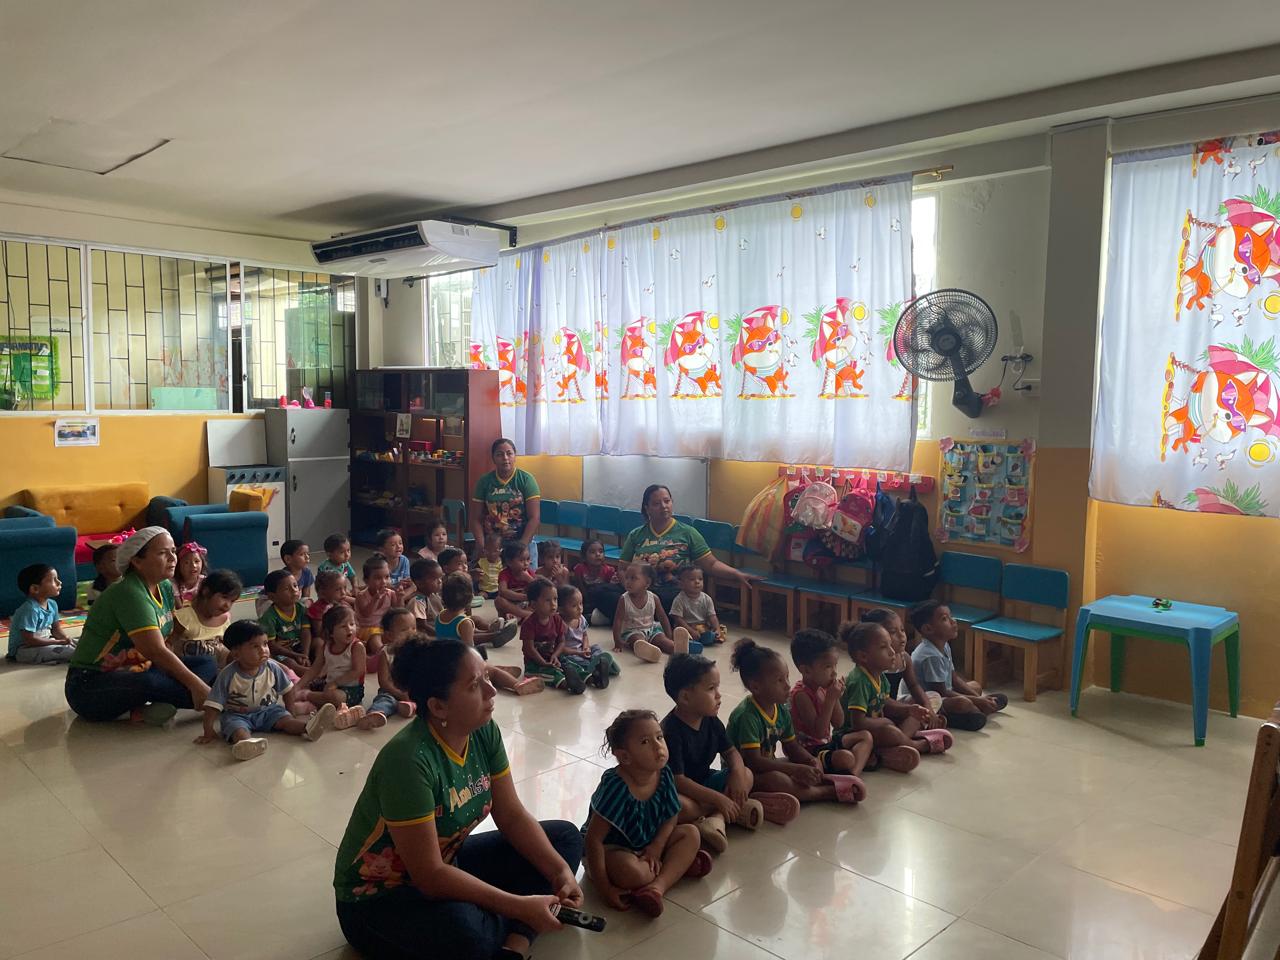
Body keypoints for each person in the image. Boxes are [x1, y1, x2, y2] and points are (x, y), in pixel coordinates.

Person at [333, 641, 584, 960]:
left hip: (448, 859)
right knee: (467, 934)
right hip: (379, 898)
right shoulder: (408, 761)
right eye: (475, 685)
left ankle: (514, 943)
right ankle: (520, 919)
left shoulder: (483, 730)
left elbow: (511, 816)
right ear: (438, 707)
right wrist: (518, 905)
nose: (492, 691)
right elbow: (429, 876)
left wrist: (559, 872)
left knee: (564, 839)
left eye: (488, 677)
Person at [65, 527, 218, 724]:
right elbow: (155, 650)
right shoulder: (129, 592)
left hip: (138, 668)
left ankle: (144, 707)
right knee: (151, 682)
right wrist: (195, 684)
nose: (173, 558)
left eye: (173, 551)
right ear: (137, 561)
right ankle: (220, 700)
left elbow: (166, 643)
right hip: (89, 685)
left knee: (206, 662)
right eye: (162, 553)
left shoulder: (164, 586)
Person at [582, 709, 711, 918]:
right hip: (613, 849)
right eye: (645, 742)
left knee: (691, 834)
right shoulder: (616, 786)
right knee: (632, 873)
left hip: (648, 841)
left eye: (659, 737)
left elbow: (671, 816)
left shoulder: (664, 773)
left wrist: (657, 846)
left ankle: (657, 887)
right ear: (624, 756)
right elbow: (593, 840)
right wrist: (604, 889)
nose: (658, 746)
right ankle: (675, 868)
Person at [661, 654, 783, 856]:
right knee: (679, 807)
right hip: (680, 791)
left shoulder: (711, 720)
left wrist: (736, 772)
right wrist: (718, 799)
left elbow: (731, 752)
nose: (719, 695)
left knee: (746, 774)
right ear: (685, 697)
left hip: (705, 782)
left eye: (717, 687)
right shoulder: (671, 732)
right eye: (711, 689)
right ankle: (730, 810)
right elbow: (678, 781)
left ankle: (717, 818)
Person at [726, 638, 863, 804]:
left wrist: (810, 761)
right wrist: (795, 769)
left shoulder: (781, 709)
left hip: (766, 766)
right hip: (742, 776)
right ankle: (827, 792)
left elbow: (791, 746)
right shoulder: (748, 716)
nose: (787, 685)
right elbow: (753, 761)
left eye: (787, 678)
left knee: (796, 772)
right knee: (778, 779)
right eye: (779, 680)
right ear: (756, 686)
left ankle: (779, 797)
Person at [194, 619, 336, 761]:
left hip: (269, 710)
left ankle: (309, 728)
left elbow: (288, 691)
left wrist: (291, 712)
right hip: (237, 715)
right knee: (237, 729)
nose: (263, 650)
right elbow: (213, 704)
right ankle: (248, 744)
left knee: (286, 720)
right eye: (255, 646)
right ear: (236, 653)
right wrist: (208, 730)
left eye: (265, 644)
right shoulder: (227, 675)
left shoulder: (272, 668)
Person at [837, 621, 954, 770]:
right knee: (890, 731)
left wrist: (909, 710)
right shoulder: (859, 681)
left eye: (890, 645)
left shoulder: (879, 675)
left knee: (914, 716)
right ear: (863, 656)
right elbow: (858, 724)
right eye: (883, 647)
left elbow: (885, 701)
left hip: (876, 726)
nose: (892, 652)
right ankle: (918, 745)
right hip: (855, 736)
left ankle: (888, 751)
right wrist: (885, 722)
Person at [619, 484, 755, 611]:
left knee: (672, 601)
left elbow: (711, 564)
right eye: (656, 503)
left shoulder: (688, 533)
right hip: (641, 591)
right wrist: (630, 590)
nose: (664, 506)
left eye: (667, 501)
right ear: (647, 508)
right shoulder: (636, 534)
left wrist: (736, 573)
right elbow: (623, 568)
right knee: (609, 594)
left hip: (673, 592)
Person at [788, 628, 875, 786]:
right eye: (828, 667)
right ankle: (848, 777)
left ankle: (851, 776)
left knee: (865, 736)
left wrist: (834, 699)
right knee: (846, 758)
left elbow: (838, 722)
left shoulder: (823, 688)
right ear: (806, 670)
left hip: (827, 743)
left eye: (835, 665)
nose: (834, 673)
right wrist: (830, 700)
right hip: (810, 751)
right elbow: (818, 732)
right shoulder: (801, 695)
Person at [908, 600, 1008, 730]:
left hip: (944, 693)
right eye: (945, 619)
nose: (953, 621)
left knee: (976, 686)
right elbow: (941, 692)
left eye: (951, 616)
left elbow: (954, 679)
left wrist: (979, 698)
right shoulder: (930, 656)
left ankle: (979, 709)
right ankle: (951, 719)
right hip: (929, 700)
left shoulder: (944, 645)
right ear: (928, 629)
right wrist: (977, 701)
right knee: (963, 703)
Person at [438, 572, 541, 696]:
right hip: (460, 667)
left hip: (445, 662)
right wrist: (481, 665)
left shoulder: (441, 616)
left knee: (488, 667)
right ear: (470, 597)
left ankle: (497, 670)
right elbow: (470, 652)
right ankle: (517, 685)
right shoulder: (464, 623)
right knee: (492, 671)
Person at [861, 608, 946, 728]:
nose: (901, 636)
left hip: (896, 704)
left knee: (932, 697)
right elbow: (881, 700)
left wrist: (927, 708)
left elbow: (914, 686)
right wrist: (909, 709)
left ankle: (921, 725)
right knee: (913, 715)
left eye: (902, 629)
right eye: (893, 632)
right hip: (877, 709)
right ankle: (906, 735)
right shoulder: (875, 662)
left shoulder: (904, 658)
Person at [471, 437, 542, 568]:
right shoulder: (484, 481)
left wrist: (522, 547)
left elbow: (535, 518)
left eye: (509, 453)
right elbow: (476, 519)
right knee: (488, 578)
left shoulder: (526, 480)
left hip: (522, 541)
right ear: (493, 458)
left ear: (515, 456)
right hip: (492, 546)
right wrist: (482, 546)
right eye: (499, 454)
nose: (505, 458)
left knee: (525, 579)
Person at [296, 604, 368, 728]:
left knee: (333, 697)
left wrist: (335, 683)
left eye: (352, 624)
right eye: (343, 626)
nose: (349, 629)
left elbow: (358, 671)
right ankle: (313, 704)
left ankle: (307, 696)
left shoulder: (357, 647)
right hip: (328, 684)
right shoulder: (326, 646)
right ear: (331, 633)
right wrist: (298, 686)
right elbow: (315, 668)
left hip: (351, 689)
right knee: (311, 685)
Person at [613, 562, 692, 663]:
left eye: (633, 578)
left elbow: (662, 617)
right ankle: (649, 652)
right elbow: (618, 621)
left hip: (651, 629)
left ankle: (678, 649)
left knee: (662, 640)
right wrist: (617, 641)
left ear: (647, 583)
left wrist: (669, 635)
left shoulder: (654, 598)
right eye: (627, 578)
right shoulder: (624, 599)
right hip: (632, 631)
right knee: (637, 640)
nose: (628, 582)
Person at [519, 578, 586, 695]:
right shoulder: (528, 624)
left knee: (572, 665)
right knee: (553, 674)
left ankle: (591, 678)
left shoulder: (557, 619)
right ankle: (568, 684)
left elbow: (561, 642)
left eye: (555, 599)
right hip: (534, 663)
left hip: (553, 657)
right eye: (547, 600)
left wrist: (555, 655)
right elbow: (529, 648)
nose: (553, 604)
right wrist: (542, 662)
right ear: (534, 604)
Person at [357, 609, 419, 730]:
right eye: (405, 630)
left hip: (412, 690)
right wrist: (399, 693)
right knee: (385, 699)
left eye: (414, 628)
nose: (411, 633)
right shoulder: (386, 653)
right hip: (391, 690)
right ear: (390, 635)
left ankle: (408, 707)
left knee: (427, 697)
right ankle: (375, 714)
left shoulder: (418, 649)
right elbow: (384, 681)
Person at [169, 568, 241, 669]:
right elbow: (168, 645)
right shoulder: (185, 617)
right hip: (188, 670)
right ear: (206, 592)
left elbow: (227, 648)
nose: (227, 605)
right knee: (208, 663)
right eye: (224, 597)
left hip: (216, 670)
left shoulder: (224, 620)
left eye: (232, 601)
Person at [8, 563, 76, 664]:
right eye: (53, 580)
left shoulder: (52, 604)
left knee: (79, 643)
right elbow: (30, 640)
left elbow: (56, 630)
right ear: (35, 589)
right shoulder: (30, 609)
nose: (59, 582)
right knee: (68, 651)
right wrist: (58, 642)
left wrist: (66, 639)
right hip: (24, 650)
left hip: (45, 642)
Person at [557, 584, 618, 689]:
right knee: (572, 661)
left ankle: (599, 664)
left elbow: (584, 635)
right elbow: (561, 648)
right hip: (570, 653)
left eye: (581, 603)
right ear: (561, 609)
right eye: (574, 606)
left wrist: (586, 647)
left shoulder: (581, 619)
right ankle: (597, 669)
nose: (580, 608)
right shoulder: (560, 624)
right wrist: (578, 653)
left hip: (581, 649)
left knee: (596, 647)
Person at [259, 570, 313, 672]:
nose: (294, 590)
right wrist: (294, 655)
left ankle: (316, 665)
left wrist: (305, 654)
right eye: (287, 589)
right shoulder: (269, 617)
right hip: (284, 651)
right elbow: (272, 645)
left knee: (319, 643)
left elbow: (306, 632)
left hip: (300, 646)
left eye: (295, 586)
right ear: (273, 597)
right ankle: (310, 673)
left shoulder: (301, 608)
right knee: (288, 663)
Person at [669, 564, 725, 645]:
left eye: (700, 579)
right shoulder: (679, 599)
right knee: (681, 634)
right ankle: (692, 643)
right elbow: (678, 619)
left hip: (702, 626)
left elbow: (712, 616)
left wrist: (717, 629)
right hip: (686, 626)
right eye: (692, 579)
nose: (697, 582)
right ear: (681, 584)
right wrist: (691, 631)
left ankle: (709, 637)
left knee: (721, 629)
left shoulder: (707, 598)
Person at [573, 538, 622, 624]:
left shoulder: (609, 570)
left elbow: (608, 591)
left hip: (600, 601)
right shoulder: (579, 569)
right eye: (592, 552)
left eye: (601, 551)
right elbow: (580, 589)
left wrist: (612, 583)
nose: (598, 554)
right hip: (586, 601)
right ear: (584, 556)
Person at [355, 554, 396, 645]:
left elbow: (397, 612)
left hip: (383, 629)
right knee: (375, 637)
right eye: (378, 578)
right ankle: (381, 652)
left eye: (387, 577)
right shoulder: (361, 596)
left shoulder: (391, 594)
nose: (384, 582)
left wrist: (400, 597)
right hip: (365, 631)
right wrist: (376, 599)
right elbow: (366, 614)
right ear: (366, 581)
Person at [496, 542, 534, 622]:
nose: (526, 563)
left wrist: (529, 579)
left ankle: (519, 617)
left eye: (528, 559)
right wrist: (523, 597)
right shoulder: (505, 574)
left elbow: (539, 588)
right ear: (509, 562)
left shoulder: (529, 573)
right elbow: (503, 591)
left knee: (538, 601)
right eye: (521, 560)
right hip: (511, 605)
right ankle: (526, 615)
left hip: (526, 604)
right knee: (499, 601)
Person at [308, 568, 352, 638]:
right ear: (322, 593)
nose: (343, 593)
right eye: (337, 589)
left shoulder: (343, 604)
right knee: (319, 642)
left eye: (345, 588)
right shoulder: (317, 610)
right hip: (328, 638)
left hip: (341, 636)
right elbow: (319, 633)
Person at [408, 557, 444, 634]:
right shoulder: (418, 600)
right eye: (435, 579)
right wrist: (442, 635)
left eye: (440, 577)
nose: (440, 581)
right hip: (427, 637)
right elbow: (422, 625)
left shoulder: (434, 595)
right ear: (420, 583)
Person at [172, 541, 207, 608]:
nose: (193, 565)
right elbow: (179, 607)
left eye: (196, 561)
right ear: (178, 565)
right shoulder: (174, 583)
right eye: (187, 562)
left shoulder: (205, 582)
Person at [473, 532, 503, 599]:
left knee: (504, 597)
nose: (491, 554)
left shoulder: (502, 563)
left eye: (495, 551)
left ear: (500, 551)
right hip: (484, 590)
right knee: (480, 596)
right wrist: (476, 573)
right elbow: (475, 575)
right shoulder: (481, 562)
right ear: (484, 549)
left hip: (498, 590)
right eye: (488, 550)